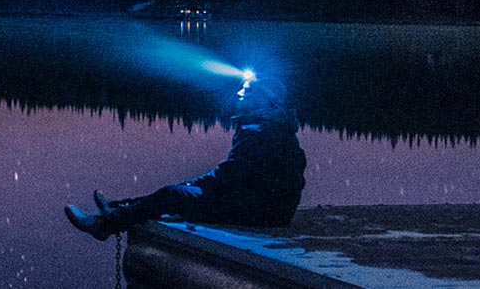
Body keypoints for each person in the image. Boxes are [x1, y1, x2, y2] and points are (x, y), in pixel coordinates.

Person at [64, 74, 305, 239]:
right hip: (267, 207)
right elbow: (241, 176)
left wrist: (191, 186)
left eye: (247, 90)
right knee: (178, 191)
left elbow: (228, 176)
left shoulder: (258, 131)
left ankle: (103, 226)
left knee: (174, 194)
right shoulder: (269, 127)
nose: (240, 93)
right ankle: (118, 210)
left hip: (261, 212)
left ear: (266, 101)